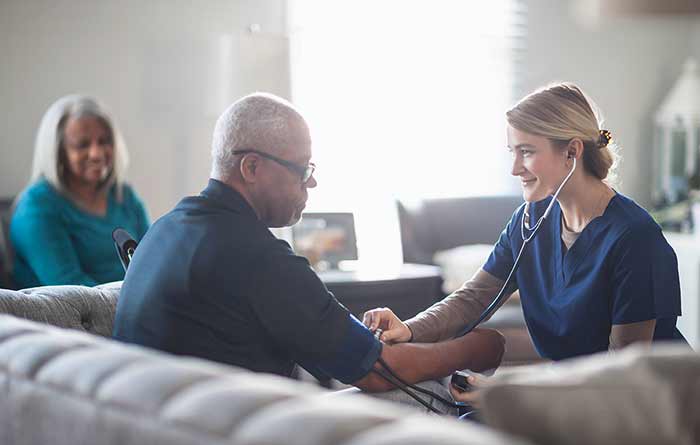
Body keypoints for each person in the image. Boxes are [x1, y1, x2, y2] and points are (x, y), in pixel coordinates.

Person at [113, 93, 505, 396]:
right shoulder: (257, 257)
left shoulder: (165, 230)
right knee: (431, 395)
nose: (311, 183)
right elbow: (378, 371)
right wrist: (475, 348)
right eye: (302, 169)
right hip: (225, 433)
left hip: (158, 424)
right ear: (251, 167)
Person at [363, 82, 686, 406]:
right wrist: (408, 329)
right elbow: (472, 300)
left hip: (653, 410)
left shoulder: (634, 238)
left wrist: (508, 391)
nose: (515, 168)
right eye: (512, 152)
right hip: (579, 399)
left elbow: (621, 375)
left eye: (527, 152)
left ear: (572, 152)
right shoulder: (530, 220)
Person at [10, 95, 149, 288]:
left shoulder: (124, 196)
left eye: (104, 141)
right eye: (82, 144)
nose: (97, 154)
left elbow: (153, 263)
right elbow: (71, 290)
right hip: (67, 316)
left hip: (132, 308)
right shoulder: (36, 207)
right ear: (58, 152)